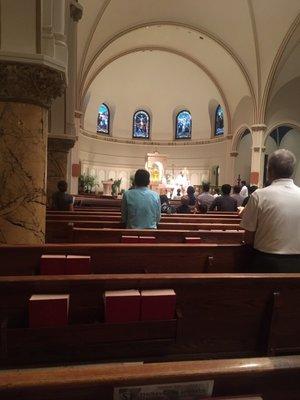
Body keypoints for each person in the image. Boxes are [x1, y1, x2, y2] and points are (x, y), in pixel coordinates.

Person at [240, 149, 300, 272]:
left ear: (270, 170)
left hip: (266, 262)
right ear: (292, 170)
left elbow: (248, 238)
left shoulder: (259, 195)